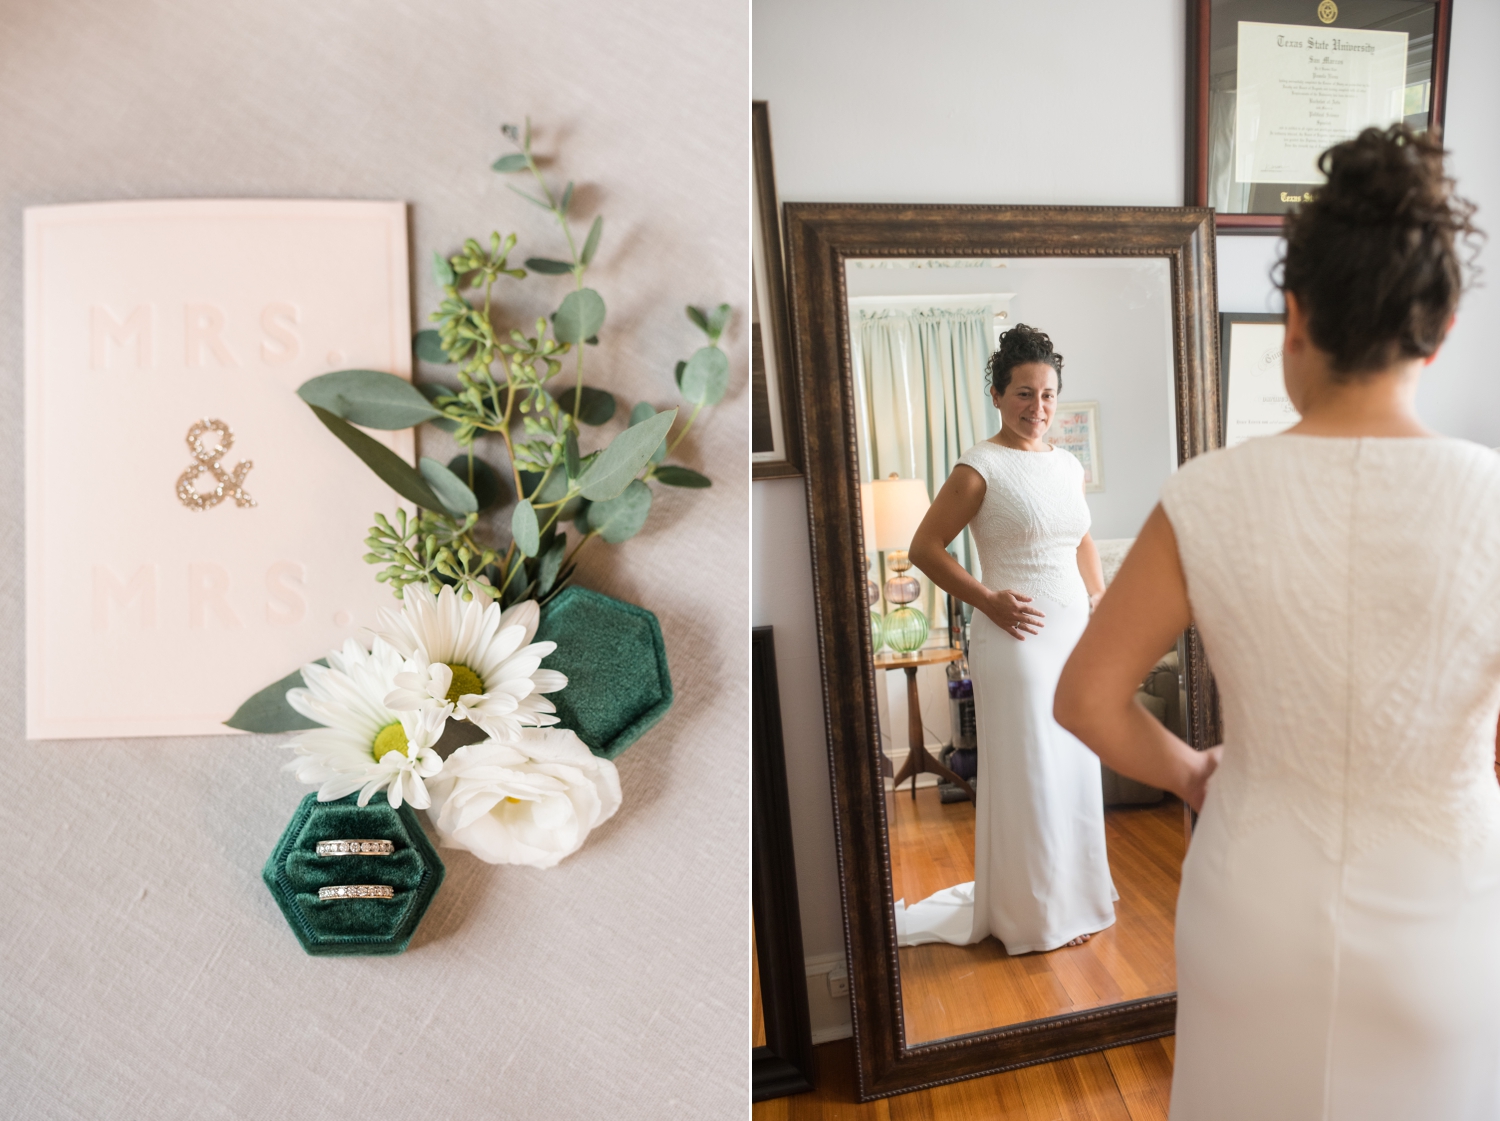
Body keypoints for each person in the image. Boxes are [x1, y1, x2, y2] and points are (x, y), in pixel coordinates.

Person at [1055, 124, 1494, 1120]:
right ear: (1445, 323)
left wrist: (1191, 770)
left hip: (1255, 907)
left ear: (1294, 313)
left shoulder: (1206, 497)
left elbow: (1086, 697)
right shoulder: (1494, 501)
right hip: (1449, 917)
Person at [899, 323, 1116, 954]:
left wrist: (1099, 600)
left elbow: (1080, 540)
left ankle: (1075, 895)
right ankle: (1035, 910)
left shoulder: (1068, 465)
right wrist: (986, 600)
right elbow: (923, 548)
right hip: (1013, 636)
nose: (1038, 409)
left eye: (1048, 396)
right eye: (1024, 394)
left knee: (1075, 765)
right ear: (997, 395)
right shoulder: (980, 466)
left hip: (1073, 634)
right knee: (1033, 770)